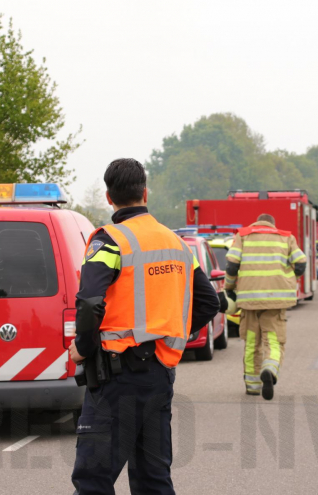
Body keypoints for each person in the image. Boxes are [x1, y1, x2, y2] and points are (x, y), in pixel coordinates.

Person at [69, 158, 221, 495]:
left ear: (109, 198)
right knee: (153, 479)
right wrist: (171, 333)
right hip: (159, 374)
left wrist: (83, 347)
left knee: (92, 479)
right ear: (145, 193)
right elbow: (209, 302)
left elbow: (91, 302)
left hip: (115, 378)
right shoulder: (177, 244)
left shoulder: (108, 241)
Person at [224, 214, 307, 400]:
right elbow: (301, 264)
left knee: (252, 343)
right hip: (276, 301)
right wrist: (288, 278)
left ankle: (253, 386)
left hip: (248, 300)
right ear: (272, 225)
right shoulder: (286, 237)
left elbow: (231, 266)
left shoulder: (243, 235)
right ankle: (269, 369)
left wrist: (228, 289)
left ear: (256, 223)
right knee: (274, 340)